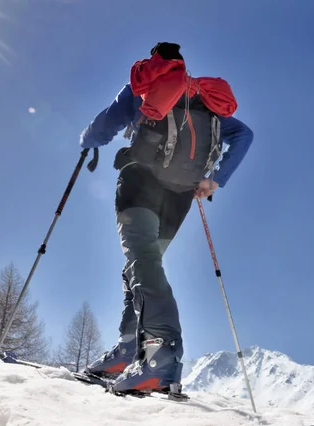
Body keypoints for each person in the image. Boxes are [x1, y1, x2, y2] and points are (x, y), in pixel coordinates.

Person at [79, 42, 254, 394]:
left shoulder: (142, 88)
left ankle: (159, 355)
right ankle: (131, 348)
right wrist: (215, 179)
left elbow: (103, 128)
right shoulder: (206, 99)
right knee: (143, 263)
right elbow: (244, 134)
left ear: (154, 62)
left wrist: (87, 141)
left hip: (140, 183)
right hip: (180, 197)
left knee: (141, 261)